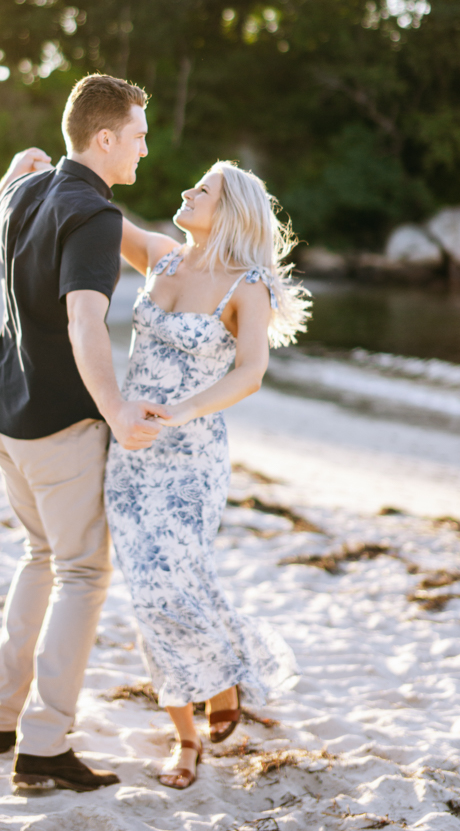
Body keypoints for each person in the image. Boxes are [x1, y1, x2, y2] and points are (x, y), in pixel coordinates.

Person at [0, 74, 167, 793]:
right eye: (139, 135)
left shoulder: (29, 188)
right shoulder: (93, 214)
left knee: (39, 556)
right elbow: (87, 322)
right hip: (58, 427)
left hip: (1, 417)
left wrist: (5, 179)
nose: (145, 149)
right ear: (104, 138)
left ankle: (0, 719)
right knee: (82, 572)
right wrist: (117, 413)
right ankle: (44, 742)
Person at [105, 161, 311, 789]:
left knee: (177, 585)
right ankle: (188, 732)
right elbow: (98, 211)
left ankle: (213, 692)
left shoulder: (245, 285)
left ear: (229, 213)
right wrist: (41, 171)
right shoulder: (162, 258)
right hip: (129, 453)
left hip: (191, 458)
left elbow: (249, 372)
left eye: (204, 189)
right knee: (149, 596)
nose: (188, 191)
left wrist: (184, 411)